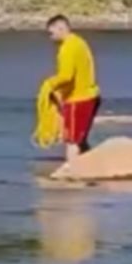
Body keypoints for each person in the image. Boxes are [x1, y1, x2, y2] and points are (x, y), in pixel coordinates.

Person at [46, 14, 100, 162]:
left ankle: (72, 173)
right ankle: (90, 164)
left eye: (51, 33)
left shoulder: (68, 47)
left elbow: (66, 76)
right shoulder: (79, 42)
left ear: (61, 28)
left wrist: (49, 84)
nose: (50, 37)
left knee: (72, 140)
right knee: (81, 139)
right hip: (91, 96)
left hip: (79, 99)